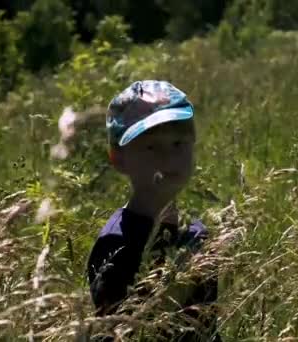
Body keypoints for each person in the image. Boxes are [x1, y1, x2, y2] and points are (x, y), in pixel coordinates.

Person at [86, 80, 220, 341]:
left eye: (178, 144)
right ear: (118, 159)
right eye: (150, 147)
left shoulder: (196, 233)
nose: (168, 158)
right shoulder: (117, 245)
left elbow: (207, 329)